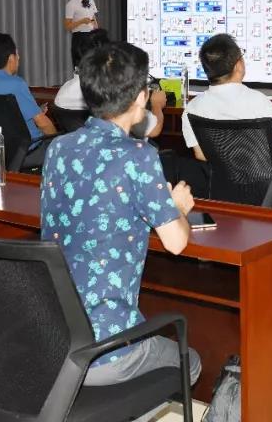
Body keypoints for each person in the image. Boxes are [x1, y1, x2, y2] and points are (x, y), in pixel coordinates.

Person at [42, 41, 202, 388]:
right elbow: (176, 243)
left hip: (55, 340)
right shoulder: (138, 155)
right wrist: (178, 207)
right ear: (142, 97)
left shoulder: (58, 148)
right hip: (108, 349)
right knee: (191, 362)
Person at [182, 34, 272, 214]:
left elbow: (201, 154)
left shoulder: (193, 108)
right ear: (238, 65)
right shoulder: (257, 101)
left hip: (227, 193)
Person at [54, 29, 165, 139]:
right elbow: (154, 131)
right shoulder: (114, 94)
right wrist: (157, 105)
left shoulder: (61, 95)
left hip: (80, 147)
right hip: (125, 147)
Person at [0, 33, 58, 162]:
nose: (19, 58)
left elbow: (2, 116)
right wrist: (57, 141)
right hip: (27, 152)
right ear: (11, 58)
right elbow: (43, 124)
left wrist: (35, 111)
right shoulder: (17, 84)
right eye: (17, 54)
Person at [64, 0, 99, 66]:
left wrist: (97, 30)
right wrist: (81, 21)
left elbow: (93, 17)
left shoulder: (91, 0)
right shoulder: (71, 4)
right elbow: (67, 26)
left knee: (93, 67)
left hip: (92, 37)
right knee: (80, 67)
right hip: (79, 38)